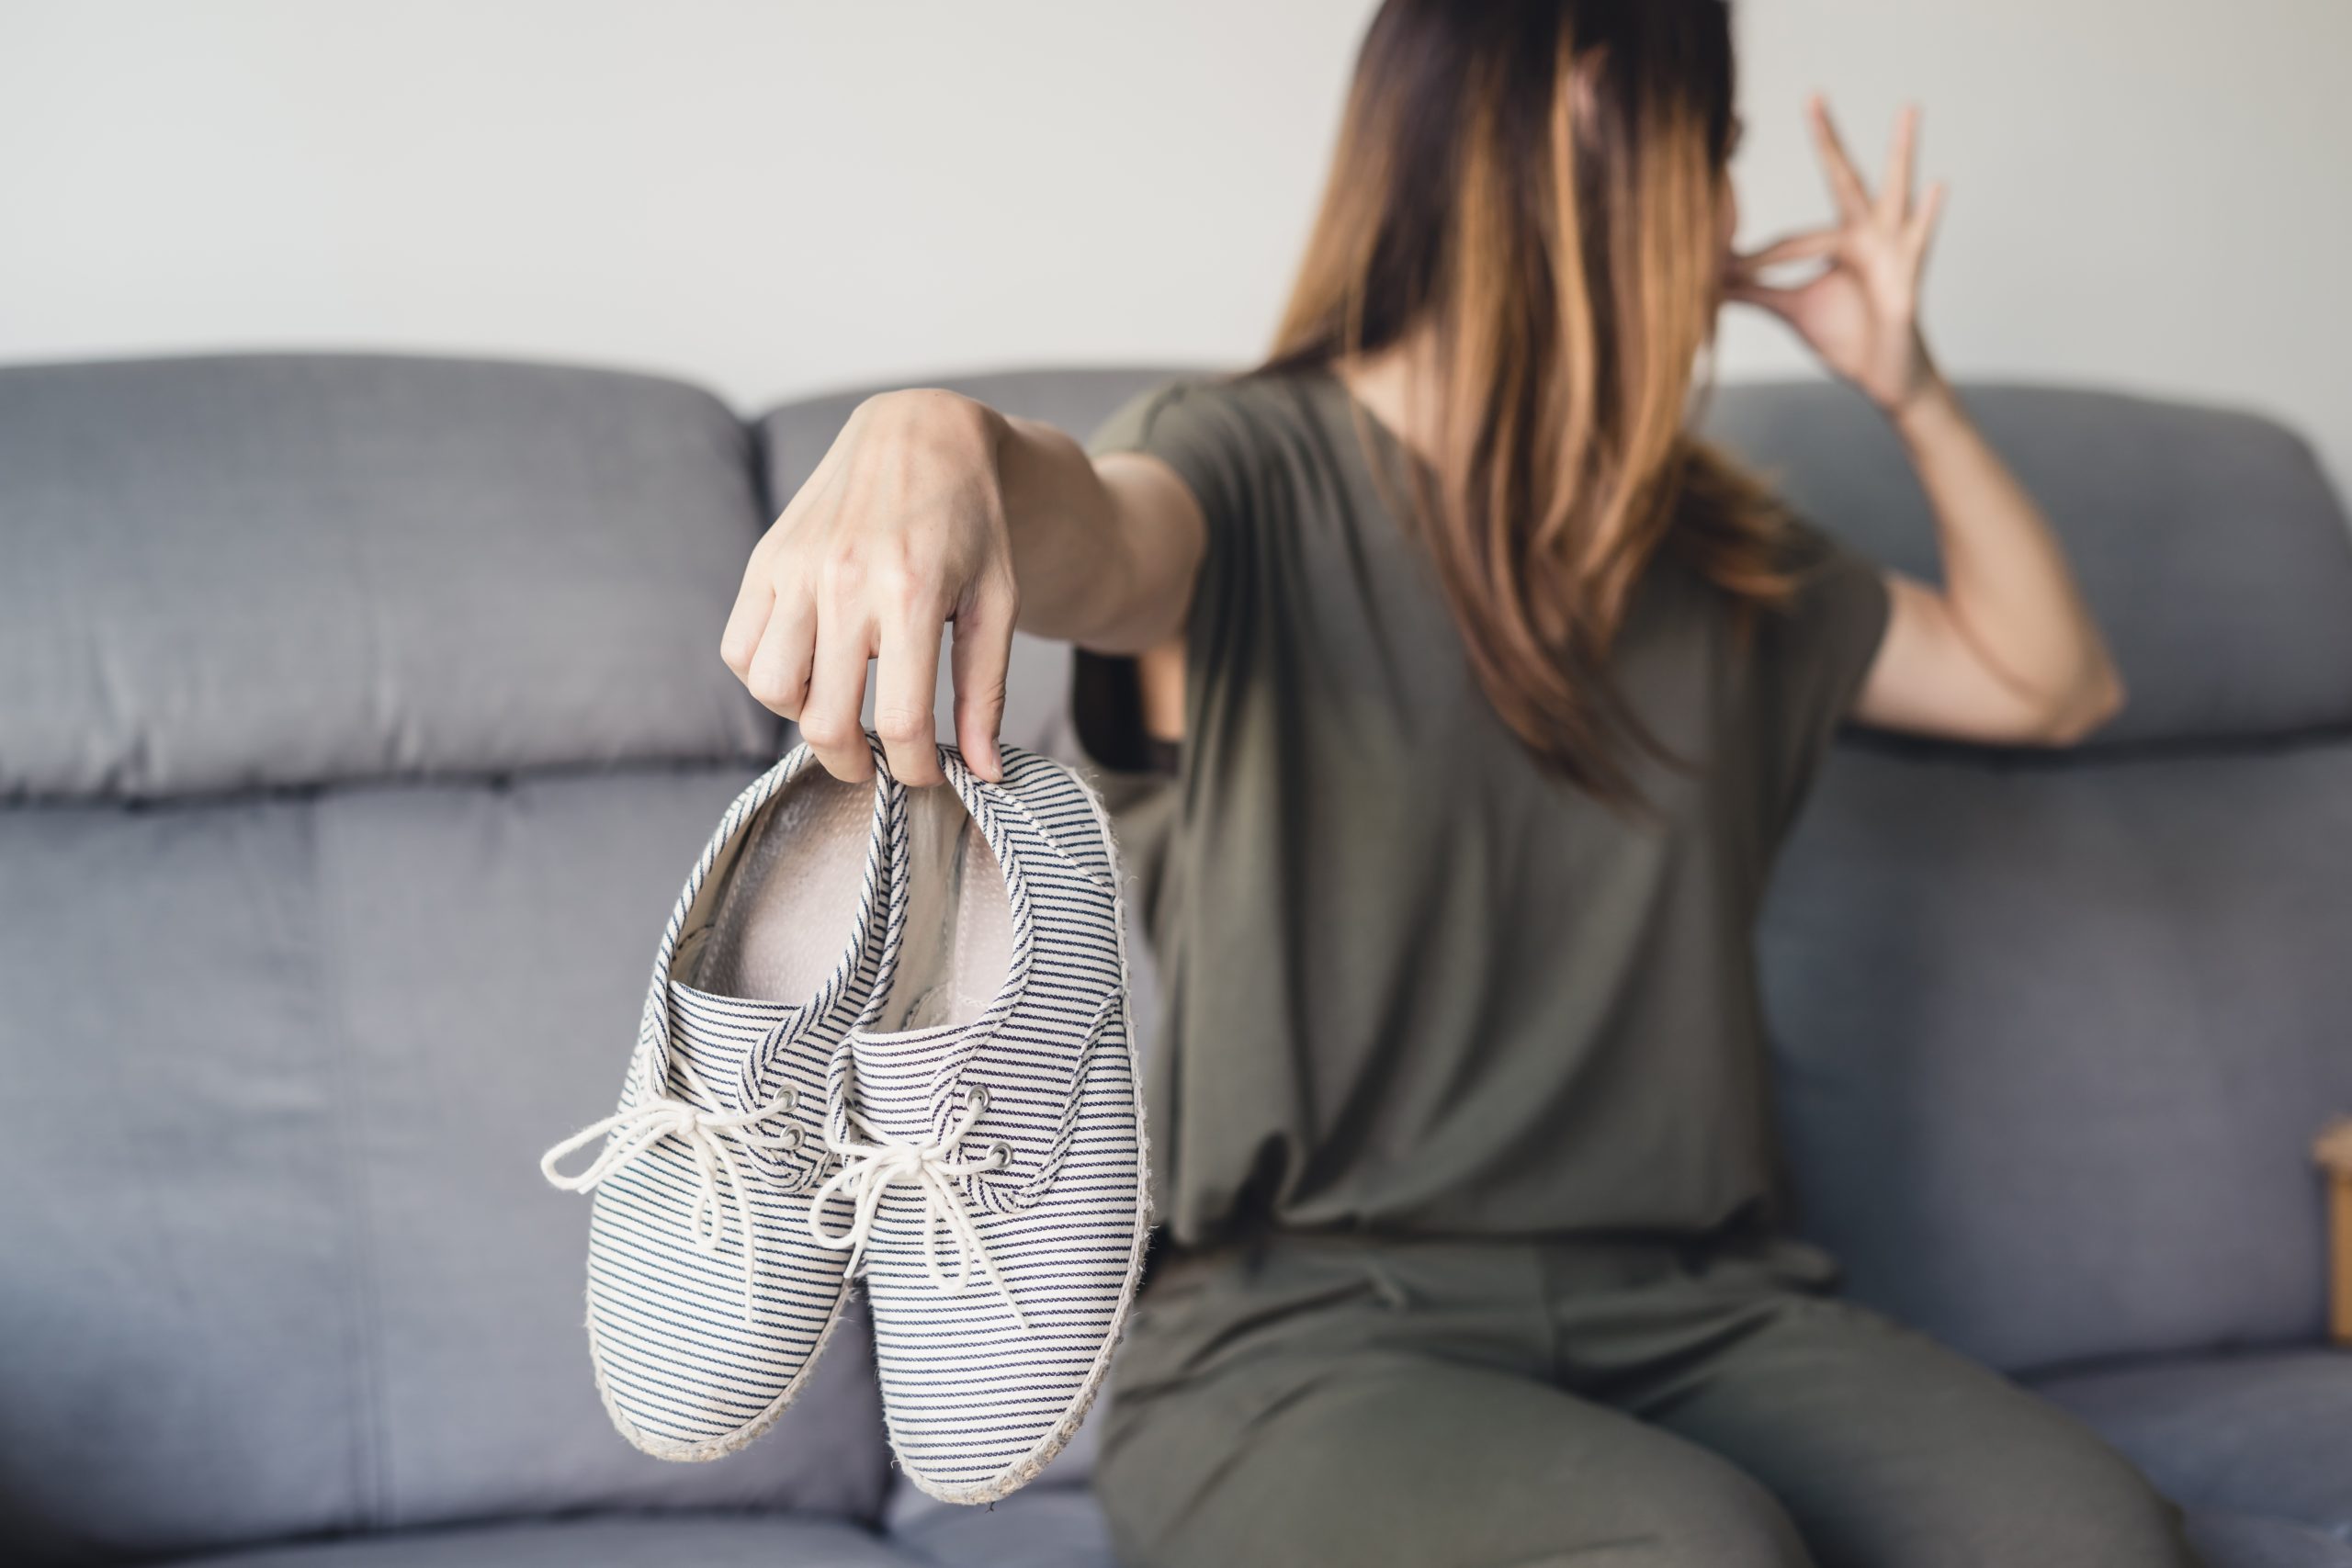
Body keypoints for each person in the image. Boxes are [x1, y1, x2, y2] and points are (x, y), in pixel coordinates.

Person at [718, 3, 2196, 1563]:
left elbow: (2053, 680)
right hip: (1304, 1343)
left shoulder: (1714, 554)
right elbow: (1084, 533)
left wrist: (1906, 383)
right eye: (1719, 149)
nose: (1729, 208)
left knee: (2091, 1538)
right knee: (1687, 1553)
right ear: (1588, 110)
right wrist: (931, 441)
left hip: (1705, 1307)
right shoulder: (1240, 469)